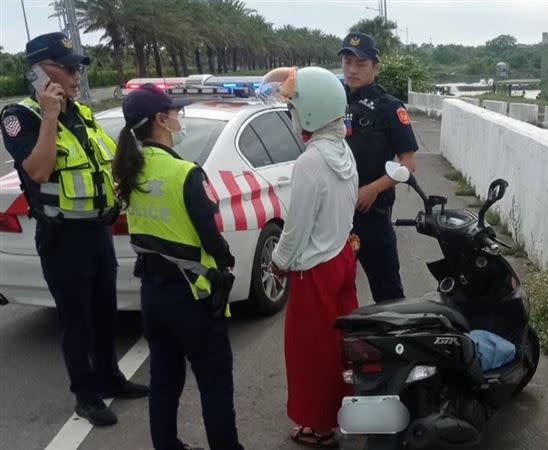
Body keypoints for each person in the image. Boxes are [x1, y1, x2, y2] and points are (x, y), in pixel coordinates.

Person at [0, 32, 148, 426]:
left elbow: (106, 161)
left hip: (97, 232)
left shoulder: (81, 113)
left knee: (104, 312)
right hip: (63, 239)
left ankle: (111, 378)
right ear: (38, 74)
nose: (75, 74)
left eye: (78, 67)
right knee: (76, 319)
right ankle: (85, 395)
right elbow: (39, 169)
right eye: (67, 67)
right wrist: (49, 115)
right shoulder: (20, 117)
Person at [113, 84, 243, 450]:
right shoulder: (185, 173)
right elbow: (211, 239)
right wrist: (226, 262)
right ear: (160, 120)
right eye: (174, 111)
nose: (177, 117)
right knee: (215, 382)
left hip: (153, 296)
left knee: (164, 379)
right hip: (194, 297)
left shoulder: (129, 169)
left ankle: (167, 445)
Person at [264, 66, 359, 448]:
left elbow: (296, 229)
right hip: (341, 260)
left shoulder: (309, 163)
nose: (290, 115)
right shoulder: (343, 151)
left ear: (311, 112)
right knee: (340, 348)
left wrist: (278, 263)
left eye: (293, 107)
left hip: (314, 272)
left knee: (310, 352)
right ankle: (339, 413)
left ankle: (320, 427)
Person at [338, 32, 419, 303]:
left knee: (389, 296)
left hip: (372, 215)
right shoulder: (333, 100)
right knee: (335, 292)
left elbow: (408, 163)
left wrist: (373, 189)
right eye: (348, 62)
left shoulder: (390, 107)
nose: (352, 70)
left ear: (376, 67)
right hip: (335, 217)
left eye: (360, 64)